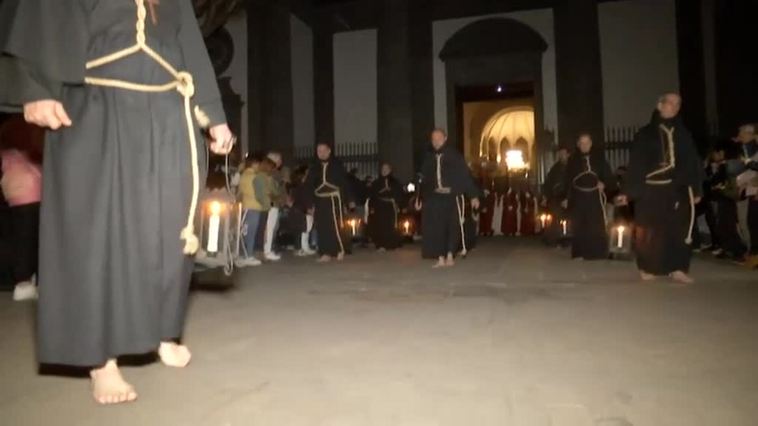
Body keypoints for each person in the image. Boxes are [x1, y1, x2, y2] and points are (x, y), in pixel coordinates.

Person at [0, 0, 235, 404]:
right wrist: (34, 89)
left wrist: (214, 115)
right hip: (97, 107)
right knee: (99, 234)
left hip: (167, 112)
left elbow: (190, 44)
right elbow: (41, 16)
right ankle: (102, 360)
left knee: (165, 230)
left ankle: (161, 331)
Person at [619, 93, 703, 283]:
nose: (674, 106)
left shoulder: (684, 134)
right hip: (651, 190)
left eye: (678, 104)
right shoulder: (645, 134)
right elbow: (637, 164)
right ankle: (648, 267)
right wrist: (629, 192)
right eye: (670, 103)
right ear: (660, 105)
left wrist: (696, 189)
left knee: (677, 230)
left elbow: (692, 163)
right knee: (649, 231)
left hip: (676, 189)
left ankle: (678, 267)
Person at [417, 129, 480, 268]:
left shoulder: (454, 155)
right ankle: (440, 257)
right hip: (435, 198)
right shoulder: (429, 157)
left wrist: (473, 195)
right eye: (433, 139)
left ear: (445, 138)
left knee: (452, 226)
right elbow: (424, 179)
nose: (436, 141)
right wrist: (419, 199)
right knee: (437, 228)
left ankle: (450, 255)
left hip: (452, 196)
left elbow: (464, 175)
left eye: (439, 138)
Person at [563, 134, 615, 260]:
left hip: (594, 197)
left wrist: (604, 183)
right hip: (578, 197)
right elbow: (567, 180)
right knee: (579, 224)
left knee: (595, 224)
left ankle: (597, 253)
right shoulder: (572, 160)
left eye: (587, 142)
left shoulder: (600, 159)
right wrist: (566, 197)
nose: (584, 145)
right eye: (582, 143)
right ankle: (580, 253)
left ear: (591, 143)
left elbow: (608, 176)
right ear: (578, 144)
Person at [1, 145, 41, 300]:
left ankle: (24, 282)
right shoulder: (27, 149)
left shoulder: (10, 151)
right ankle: (26, 282)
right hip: (34, 193)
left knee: (23, 240)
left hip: (19, 195)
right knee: (32, 240)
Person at [303, 143, 355, 262]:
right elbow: (308, 186)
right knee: (322, 226)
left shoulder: (337, 166)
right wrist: (309, 204)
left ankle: (340, 249)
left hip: (334, 200)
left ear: (329, 151)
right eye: (318, 151)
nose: (321, 153)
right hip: (320, 200)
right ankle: (325, 252)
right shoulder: (314, 168)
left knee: (336, 225)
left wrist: (350, 200)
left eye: (323, 150)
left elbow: (345, 184)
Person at [238, 156, 272, 266]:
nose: (259, 167)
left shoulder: (244, 175)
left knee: (248, 232)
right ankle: (248, 255)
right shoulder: (254, 176)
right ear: (254, 164)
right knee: (251, 232)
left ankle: (247, 254)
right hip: (254, 206)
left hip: (247, 206)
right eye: (258, 164)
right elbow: (259, 193)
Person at [367, 163, 404, 251]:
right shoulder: (376, 182)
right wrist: (371, 207)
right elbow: (372, 195)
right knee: (380, 225)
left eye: (386, 168)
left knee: (392, 225)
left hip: (391, 205)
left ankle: (393, 244)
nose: (384, 170)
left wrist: (399, 204)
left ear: (390, 170)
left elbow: (400, 193)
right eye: (383, 168)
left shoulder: (396, 182)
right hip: (380, 206)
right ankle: (381, 245)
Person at [262, 152, 288, 261]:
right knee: (270, 227)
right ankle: (267, 250)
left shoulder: (272, 173)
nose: (281, 162)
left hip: (274, 203)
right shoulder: (273, 173)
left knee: (272, 227)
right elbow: (276, 189)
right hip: (272, 203)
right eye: (279, 160)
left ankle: (269, 249)